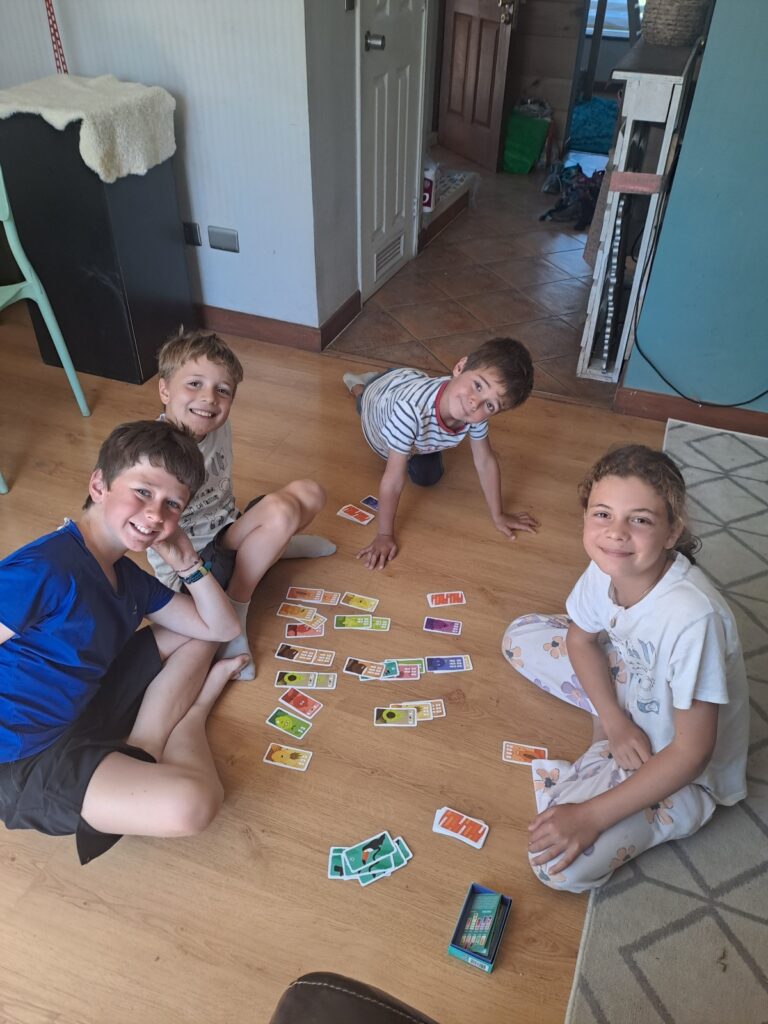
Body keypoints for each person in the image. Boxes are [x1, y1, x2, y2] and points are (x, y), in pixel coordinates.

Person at [501, 445, 749, 893]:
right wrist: (613, 722)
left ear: (672, 532)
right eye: (602, 515)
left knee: (555, 866)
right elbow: (580, 639)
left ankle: (615, 770)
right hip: (630, 680)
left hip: (680, 763)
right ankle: (606, 742)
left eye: (640, 520)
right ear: (585, 517)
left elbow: (692, 753)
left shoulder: (694, 620)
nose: (615, 533)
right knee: (518, 638)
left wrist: (591, 816)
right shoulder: (606, 565)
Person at [0, 420, 247, 864]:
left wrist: (188, 563)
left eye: (173, 504)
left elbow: (222, 628)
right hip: (24, 757)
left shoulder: (128, 577)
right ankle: (189, 717)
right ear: (99, 485)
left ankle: (146, 742)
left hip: (82, 704)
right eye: (143, 492)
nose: (156, 514)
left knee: (195, 635)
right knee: (194, 804)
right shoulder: (46, 567)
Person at [150, 330, 335, 679]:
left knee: (311, 493)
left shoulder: (216, 425)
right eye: (194, 384)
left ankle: (272, 545)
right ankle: (236, 608)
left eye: (223, 390)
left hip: (227, 530)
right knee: (280, 512)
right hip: (194, 572)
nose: (209, 398)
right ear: (164, 390)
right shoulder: (154, 455)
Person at [343, 337, 539, 570]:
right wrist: (384, 535)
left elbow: (485, 460)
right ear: (460, 367)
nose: (475, 403)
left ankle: (387, 380)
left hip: (414, 397)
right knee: (364, 400)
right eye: (478, 385)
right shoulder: (409, 411)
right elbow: (393, 479)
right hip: (380, 405)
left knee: (428, 477)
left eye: (490, 405)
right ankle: (361, 385)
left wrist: (499, 515)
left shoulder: (474, 413)